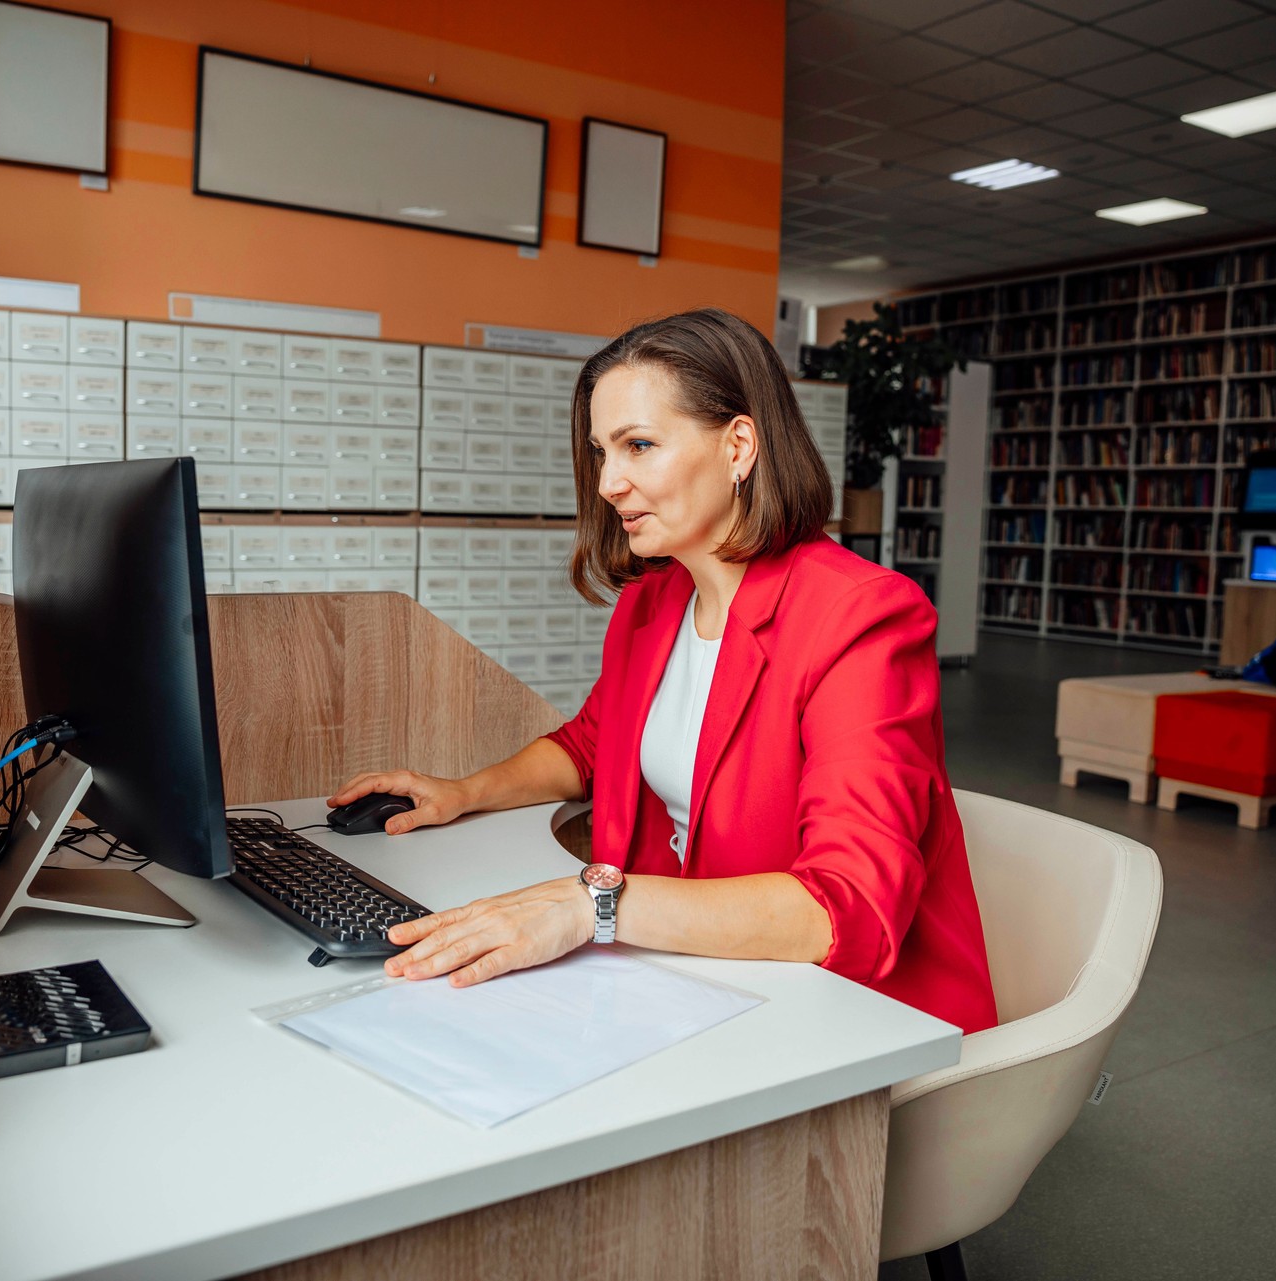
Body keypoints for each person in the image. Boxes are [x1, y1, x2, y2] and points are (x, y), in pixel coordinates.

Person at [328, 308, 997, 1034]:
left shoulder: (862, 617)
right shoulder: (657, 599)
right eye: (601, 452)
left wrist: (592, 904)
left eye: (638, 445)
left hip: (852, 1016)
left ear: (740, 444)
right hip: (700, 978)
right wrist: (463, 792)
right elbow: (593, 745)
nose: (610, 482)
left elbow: (848, 908)